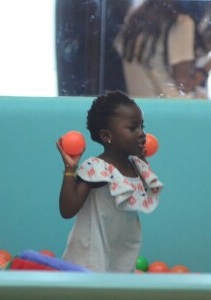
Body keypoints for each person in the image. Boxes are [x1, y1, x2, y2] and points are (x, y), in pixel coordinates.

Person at [56, 90, 163, 272]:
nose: (142, 134)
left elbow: (143, 193)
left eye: (142, 127)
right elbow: (68, 210)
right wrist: (70, 169)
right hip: (91, 257)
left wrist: (143, 159)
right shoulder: (97, 168)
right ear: (106, 136)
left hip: (121, 254)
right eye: (132, 128)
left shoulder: (136, 166)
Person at [114, 0, 211, 99]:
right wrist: (210, 64)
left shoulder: (136, 18)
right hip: (172, 109)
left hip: (142, 108)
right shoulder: (182, 23)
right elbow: (184, 85)